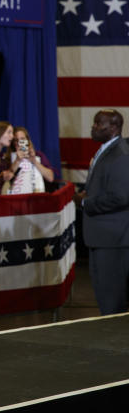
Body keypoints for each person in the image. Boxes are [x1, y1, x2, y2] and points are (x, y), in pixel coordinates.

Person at [74, 110, 129, 315]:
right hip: (102, 238)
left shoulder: (120, 155)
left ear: (113, 128)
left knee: (112, 303)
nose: (94, 127)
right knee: (105, 298)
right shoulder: (107, 150)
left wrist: (86, 203)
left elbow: (121, 197)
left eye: (99, 124)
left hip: (113, 241)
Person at [5, 126, 54, 194]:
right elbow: (7, 178)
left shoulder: (38, 155)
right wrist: (17, 160)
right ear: (13, 143)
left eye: (22, 139)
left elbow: (50, 178)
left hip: (36, 195)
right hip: (17, 196)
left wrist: (34, 161)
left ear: (27, 140)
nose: (20, 142)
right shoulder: (8, 157)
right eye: (16, 140)